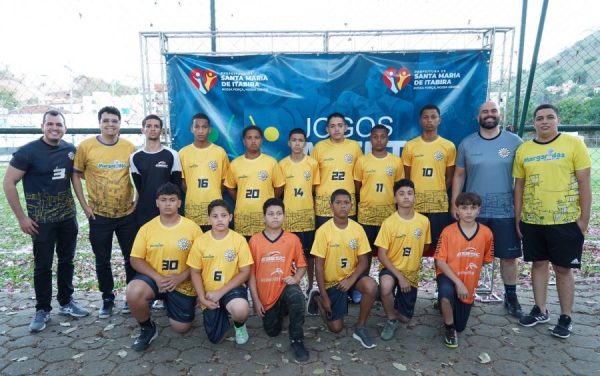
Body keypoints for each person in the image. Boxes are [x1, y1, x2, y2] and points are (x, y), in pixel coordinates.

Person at [3, 110, 89, 332]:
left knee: (67, 260)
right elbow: (9, 182)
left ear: (65, 128)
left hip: (67, 217)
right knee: (42, 265)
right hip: (41, 221)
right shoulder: (27, 153)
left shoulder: (70, 150)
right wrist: (22, 217)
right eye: (50, 124)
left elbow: (80, 176)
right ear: (42, 126)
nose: (54, 128)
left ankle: (66, 301)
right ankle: (42, 309)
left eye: (59, 125)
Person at [513, 104, 591, 339]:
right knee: (538, 264)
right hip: (533, 219)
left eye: (549, 117)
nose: (544, 122)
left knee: (563, 269)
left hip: (565, 220)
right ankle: (540, 309)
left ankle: (566, 316)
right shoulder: (524, 149)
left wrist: (583, 220)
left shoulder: (573, 144)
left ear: (558, 119)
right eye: (539, 118)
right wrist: (518, 217)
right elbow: (519, 186)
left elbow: (584, 184)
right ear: (534, 123)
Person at [451, 101, 524, 318]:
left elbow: (521, 180)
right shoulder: (467, 143)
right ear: (478, 116)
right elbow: (459, 175)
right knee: (468, 256)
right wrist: (454, 202)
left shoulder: (515, 142)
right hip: (473, 213)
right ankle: (464, 294)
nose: (489, 114)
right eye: (485, 111)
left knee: (508, 258)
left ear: (499, 115)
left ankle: (511, 296)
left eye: (493, 111)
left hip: (505, 212)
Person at [72, 106, 137, 317]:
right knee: (102, 260)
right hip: (99, 215)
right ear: (99, 123)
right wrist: (84, 205)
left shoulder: (129, 147)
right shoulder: (86, 147)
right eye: (106, 120)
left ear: (120, 124)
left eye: (114, 121)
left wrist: (136, 200)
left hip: (126, 214)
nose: (110, 124)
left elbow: (138, 176)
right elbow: (76, 175)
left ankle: (131, 297)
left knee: (131, 258)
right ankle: (107, 299)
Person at [126, 183, 201, 351]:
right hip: (155, 279)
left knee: (181, 328)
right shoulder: (147, 228)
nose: (168, 204)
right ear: (157, 203)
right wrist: (157, 277)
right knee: (133, 291)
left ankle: (172, 303)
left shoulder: (192, 228)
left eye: (172, 200)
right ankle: (147, 328)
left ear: (179, 203)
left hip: (182, 281)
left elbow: (200, 261)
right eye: (164, 200)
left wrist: (180, 277)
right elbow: (135, 259)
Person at [308, 189, 378, 349]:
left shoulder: (357, 229)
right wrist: (324, 296)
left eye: (346, 203)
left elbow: (363, 262)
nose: (342, 206)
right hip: (332, 282)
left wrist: (351, 280)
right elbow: (318, 267)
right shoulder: (323, 231)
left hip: (350, 278)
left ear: (351, 206)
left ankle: (360, 327)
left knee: (371, 286)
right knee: (336, 328)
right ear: (331, 206)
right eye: (338, 203)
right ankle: (318, 299)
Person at [248, 198, 309, 362]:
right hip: (266, 295)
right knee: (272, 331)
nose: (275, 217)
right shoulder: (254, 241)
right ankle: (281, 311)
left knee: (296, 297)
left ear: (284, 216)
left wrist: (296, 278)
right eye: (271, 214)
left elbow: (302, 265)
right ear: (264, 218)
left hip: (284, 288)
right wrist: (255, 300)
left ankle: (297, 339)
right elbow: (251, 274)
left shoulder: (292, 239)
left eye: (279, 213)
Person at [187, 199, 254, 344]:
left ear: (230, 217)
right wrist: (202, 298)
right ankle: (221, 313)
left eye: (223, 215)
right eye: (215, 216)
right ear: (209, 218)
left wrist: (221, 292)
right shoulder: (200, 242)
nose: (220, 220)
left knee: (241, 310)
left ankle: (239, 325)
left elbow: (245, 272)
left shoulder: (239, 240)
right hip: (210, 294)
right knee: (215, 338)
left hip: (232, 289)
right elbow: (195, 272)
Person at [435, 192, 494, 348]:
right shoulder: (448, 231)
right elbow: (440, 261)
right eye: (464, 208)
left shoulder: (486, 233)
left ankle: (451, 305)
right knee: (446, 295)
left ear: (479, 210)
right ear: (457, 210)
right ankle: (449, 328)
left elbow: (485, 260)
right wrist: (458, 283)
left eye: (473, 208)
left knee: (461, 326)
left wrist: (467, 281)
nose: (468, 212)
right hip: (448, 275)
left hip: (468, 280)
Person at [375, 179, 430, 340]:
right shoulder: (389, 223)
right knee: (386, 286)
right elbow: (382, 254)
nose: (406, 197)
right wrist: (399, 276)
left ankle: (391, 300)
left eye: (409, 193)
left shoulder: (424, 221)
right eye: (401, 194)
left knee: (405, 319)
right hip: (391, 269)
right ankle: (391, 318)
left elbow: (425, 246)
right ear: (395, 199)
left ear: (415, 197)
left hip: (411, 273)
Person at [402, 104, 456, 256]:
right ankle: (409, 277)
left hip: (438, 205)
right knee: (414, 245)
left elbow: (450, 177)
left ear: (439, 120)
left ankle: (441, 279)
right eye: (425, 117)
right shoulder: (410, 146)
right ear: (420, 120)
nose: (429, 121)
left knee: (439, 248)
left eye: (433, 117)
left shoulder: (448, 146)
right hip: (415, 204)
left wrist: (436, 193)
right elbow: (406, 177)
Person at [354, 124, 404, 265]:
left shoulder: (396, 161)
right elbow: (357, 187)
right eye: (375, 137)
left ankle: (386, 282)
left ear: (388, 139)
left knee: (388, 252)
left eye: (383, 137)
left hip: (388, 215)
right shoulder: (362, 161)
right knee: (365, 254)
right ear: (370, 139)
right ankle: (364, 282)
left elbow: (399, 188)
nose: (379, 140)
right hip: (366, 216)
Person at [278, 128, 320, 294]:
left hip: (307, 216)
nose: (297, 143)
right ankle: (289, 286)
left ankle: (310, 285)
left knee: (308, 253)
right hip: (289, 216)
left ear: (305, 143)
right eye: (294, 140)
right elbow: (280, 190)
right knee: (288, 253)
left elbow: (315, 188)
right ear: (289, 143)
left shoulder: (312, 164)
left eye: (300, 140)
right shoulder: (282, 164)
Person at [225, 125, 285, 238]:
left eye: (256, 137)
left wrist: (269, 200)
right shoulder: (235, 164)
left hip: (265, 216)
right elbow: (230, 187)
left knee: (265, 251)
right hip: (243, 216)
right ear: (244, 141)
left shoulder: (271, 162)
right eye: (249, 138)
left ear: (261, 140)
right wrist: (241, 198)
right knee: (244, 252)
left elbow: (279, 186)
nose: (253, 141)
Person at [179, 113, 230, 232]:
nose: (200, 130)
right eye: (197, 127)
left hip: (215, 210)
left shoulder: (219, 152)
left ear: (209, 130)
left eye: (204, 127)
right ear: (192, 129)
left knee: (215, 244)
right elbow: (182, 182)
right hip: (193, 210)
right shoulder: (183, 153)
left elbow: (224, 181)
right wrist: (195, 193)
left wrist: (213, 193)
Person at [130, 114, 182, 228]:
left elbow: (176, 186)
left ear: (161, 131)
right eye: (148, 126)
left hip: (168, 210)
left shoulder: (172, 155)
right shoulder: (135, 157)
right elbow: (139, 186)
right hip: (145, 210)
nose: (152, 129)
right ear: (143, 130)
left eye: (156, 126)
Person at [311, 112, 363, 227]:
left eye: (340, 125)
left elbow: (360, 174)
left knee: (348, 239)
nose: (337, 129)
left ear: (346, 127)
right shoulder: (319, 147)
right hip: (324, 203)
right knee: (324, 239)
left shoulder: (354, 146)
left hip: (347, 201)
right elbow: (312, 177)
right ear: (327, 129)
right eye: (332, 126)